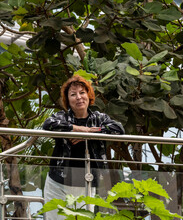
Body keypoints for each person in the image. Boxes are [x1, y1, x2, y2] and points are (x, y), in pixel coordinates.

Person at [42, 75, 125, 219]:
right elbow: (48, 124)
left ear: (89, 95)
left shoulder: (99, 118)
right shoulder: (63, 117)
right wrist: (78, 129)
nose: (78, 97)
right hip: (58, 184)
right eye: (73, 94)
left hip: (87, 183)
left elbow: (118, 129)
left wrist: (89, 133)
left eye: (82, 92)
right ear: (68, 100)